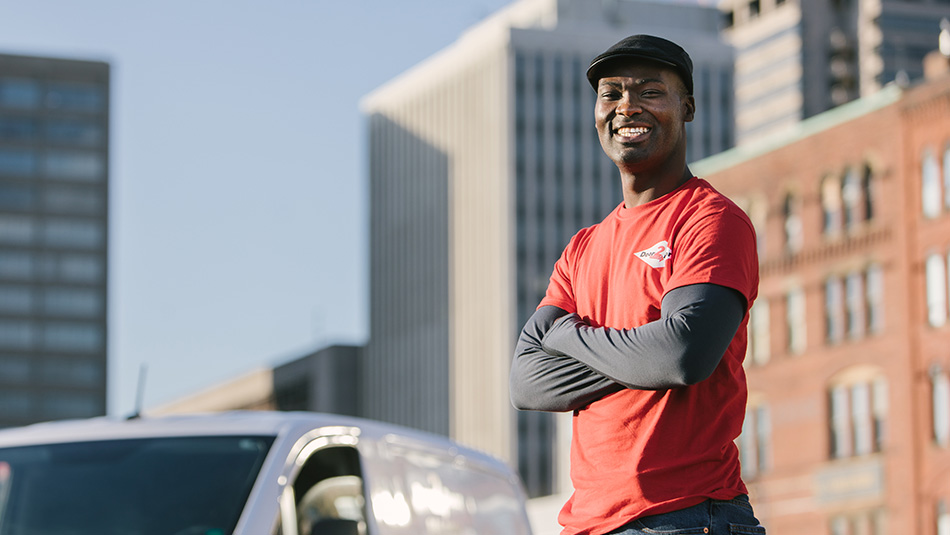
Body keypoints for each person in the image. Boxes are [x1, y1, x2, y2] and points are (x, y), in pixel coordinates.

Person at [508, 35, 765, 535]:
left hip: (689, 516)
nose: (627, 106)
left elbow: (682, 356)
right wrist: (646, 354)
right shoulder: (582, 248)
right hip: (587, 524)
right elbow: (526, 381)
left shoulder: (710, 220)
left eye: (650, 92)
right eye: (611, 93)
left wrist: (565, 337)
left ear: (686, 107)